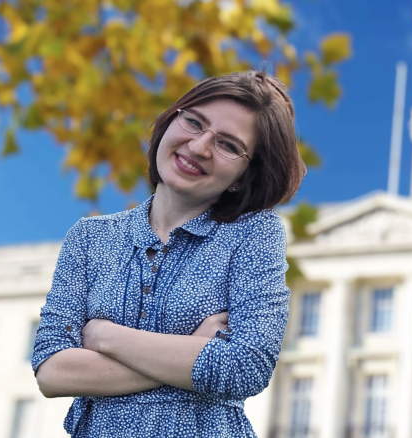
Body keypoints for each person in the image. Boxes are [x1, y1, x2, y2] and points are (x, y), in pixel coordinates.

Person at [32, 70, 306, 437]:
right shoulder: (89, 238)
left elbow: (245, 367)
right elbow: (51, 370)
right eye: (194, 122)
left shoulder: (254, 234)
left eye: (227, 145)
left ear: (244, 174)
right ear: (171, 120)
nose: (198, 147)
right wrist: (194, 351)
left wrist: (104, 337)